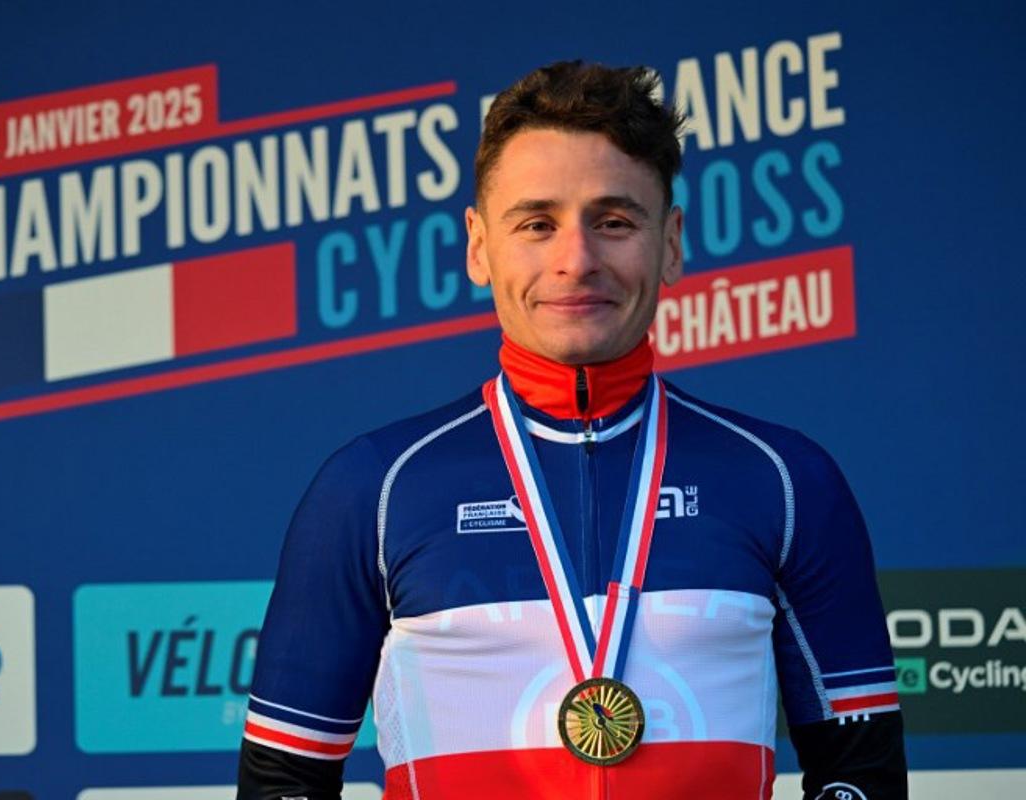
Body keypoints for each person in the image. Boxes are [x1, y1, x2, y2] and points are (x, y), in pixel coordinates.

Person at [237, 61, 906, 800]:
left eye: (614, 222)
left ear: (672, 242)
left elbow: (862, 773)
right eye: (537, 224)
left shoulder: (785, 481)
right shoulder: (374, 489)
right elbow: (283, 783)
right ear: (479, 246)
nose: (577, 260)